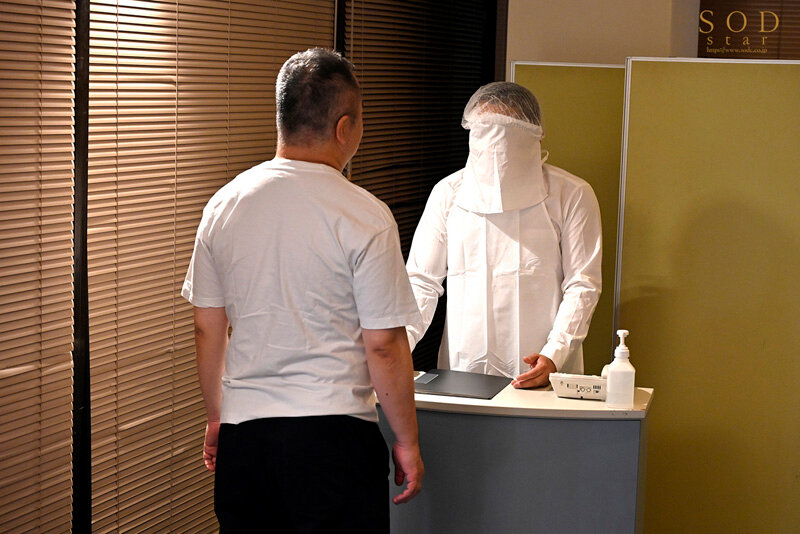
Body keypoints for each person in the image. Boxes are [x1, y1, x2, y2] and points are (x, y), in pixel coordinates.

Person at [182, 48, 424, 533]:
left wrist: (217, 417)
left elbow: (207, 328)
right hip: (333, 439)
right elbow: (383, 343)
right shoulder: (365, 215)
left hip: (246, 441)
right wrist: (407, 441)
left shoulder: (224, 205)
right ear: (344, 128)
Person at [405, 81, 602, 388]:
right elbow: (421, 282)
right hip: (464, 367)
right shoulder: (448, 194)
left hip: (545, 367)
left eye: (508, 138)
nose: (498, 156)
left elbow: (582, 284)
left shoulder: (571, 194)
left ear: (534, 135)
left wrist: (555, 352)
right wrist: (397, 346)